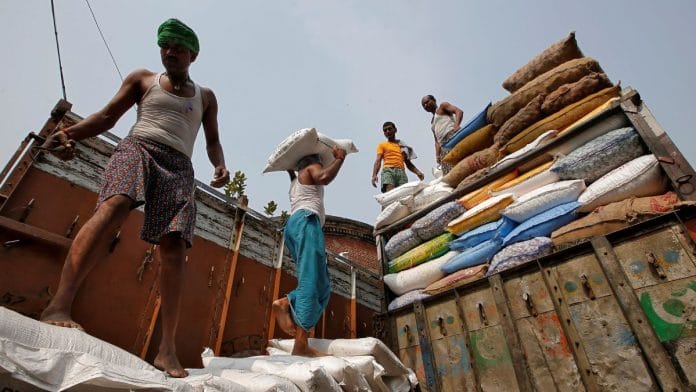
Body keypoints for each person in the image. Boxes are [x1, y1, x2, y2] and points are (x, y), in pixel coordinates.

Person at [38, 18, 229, 378]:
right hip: (137, 148)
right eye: (165, 45)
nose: (170, 51)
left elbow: (213, 139)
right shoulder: (142, 79)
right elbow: (108, 116)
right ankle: (58, 306)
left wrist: (220, 165)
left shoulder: (206, 97)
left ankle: (167, 350)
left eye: (178, 46)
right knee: (114, 206)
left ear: (193, 55)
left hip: (179, 167)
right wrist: (69, 134)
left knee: (174, 246)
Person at [272, 146, 346, 356]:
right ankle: (301, 343)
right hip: (306, 223)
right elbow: (324, 177)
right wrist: (340, 159)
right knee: (311, 280)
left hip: (295, 226)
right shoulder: (312, 168)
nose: (321, 165)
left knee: (322, 285)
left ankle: (286, 304)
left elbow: (297, 174)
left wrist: (288, 166)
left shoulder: (295, 181)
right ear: (312, 162)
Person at [371, 121, 425, 192]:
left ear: (395, 130)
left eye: (389, 129)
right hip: (388, 171)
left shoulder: (402, 146)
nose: (387, 131)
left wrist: (418, 172)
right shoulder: (382, 145)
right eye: (385, 130)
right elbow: (378, 160)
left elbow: (408, 163)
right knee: (391, 193)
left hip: (401, 172)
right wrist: (374, 175)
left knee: (403, 195)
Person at [420, 95, 464, 175]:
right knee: (449, 172)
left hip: (452, 136)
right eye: (424, 105)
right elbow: (436, 141)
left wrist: (456, 125)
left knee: (460, 162)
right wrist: (437, 155)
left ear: (434, 100)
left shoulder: (442, 107)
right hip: (443, 146)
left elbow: (458, 111)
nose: (426, 105)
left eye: (427, 102)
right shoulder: (432, 123)